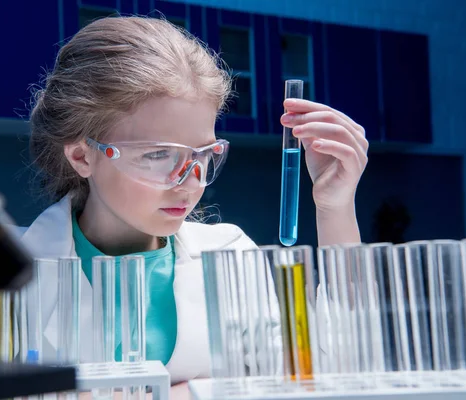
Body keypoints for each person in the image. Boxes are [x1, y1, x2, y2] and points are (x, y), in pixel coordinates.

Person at [21, 15, 368, 398]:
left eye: (204, 155)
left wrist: (334, 207)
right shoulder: (3, 273)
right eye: (157, 155)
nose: (190, 181)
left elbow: (327, 377)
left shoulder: (229, 254)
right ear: (81, 156)